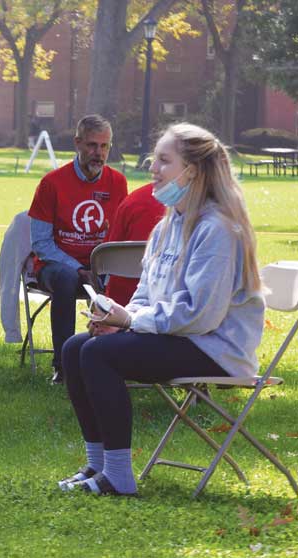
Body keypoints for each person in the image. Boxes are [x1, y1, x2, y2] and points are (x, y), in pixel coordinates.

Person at [57, 123, 264, 496]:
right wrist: (117, 317)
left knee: (100, 355)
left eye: (164, 161)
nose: (153, 168)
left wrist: (133, 321)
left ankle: (119, 477)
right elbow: (146, 292)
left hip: (215, 349)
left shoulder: (217, 229)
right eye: (155, 159)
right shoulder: (169, 226)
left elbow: (201, 315)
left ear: (193, 171)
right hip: (180, 336)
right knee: (75, 348)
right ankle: (98, 464)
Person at [28, 114, 127, 384]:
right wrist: (80, 269)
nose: (99, 153)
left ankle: (120, 358)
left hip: (100, 266)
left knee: (130, 275)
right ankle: (63, 365)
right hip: (57, 267)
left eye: (105, 146)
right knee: (66, 278)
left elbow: (119, 233)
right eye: (92, 146)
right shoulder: (52, 183)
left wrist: (104, 267)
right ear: (77, 143)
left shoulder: (117, 182)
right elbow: (41, 243)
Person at [103, 183, 165, 306]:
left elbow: (108, 251)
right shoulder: (198, 205)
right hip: (167, 297)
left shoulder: (134, 200)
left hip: (121, 298)